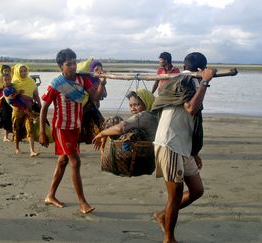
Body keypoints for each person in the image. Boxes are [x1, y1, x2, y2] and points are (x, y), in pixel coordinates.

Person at [151, 52, 216, 243]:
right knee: (175, 195)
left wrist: (194, 151)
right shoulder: (186, 81)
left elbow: (191, 120)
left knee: (197, 190)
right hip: (169, 143)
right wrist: (205, 82)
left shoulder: (188, 81)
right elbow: (191, 109)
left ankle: (163, 215)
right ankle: (168, 238)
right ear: (201, 69)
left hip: (183, 145)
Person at [38, 48, 106, 214]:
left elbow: (95, 97)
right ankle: (83, 203)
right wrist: (41, 131)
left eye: (74, 62)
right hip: (62, 128)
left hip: (75, 126)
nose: (73, 66)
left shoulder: (82, 80)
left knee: (63, 161)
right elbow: (44, 107)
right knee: (75, 161)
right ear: (61, 66)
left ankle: (50, 195)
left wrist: (102, 83)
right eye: (69, 64)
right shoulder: (56, 84)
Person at [92, 88, 158, 150]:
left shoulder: (145, 115)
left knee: (114, 120)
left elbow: (120, 128)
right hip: (150, 148)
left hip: (148, 151)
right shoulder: (154, 114)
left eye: (136, 105)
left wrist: (102, 134)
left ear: (146, 103)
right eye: (131, 105)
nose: (133, 109)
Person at [11, 63, 41, 157]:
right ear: (17, 71)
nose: (23, 73)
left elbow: (35, 95)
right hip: (17, 109)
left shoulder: (31, 81)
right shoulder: (13, 83)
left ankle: (32, 150)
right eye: (21, 71)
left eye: (25, 71)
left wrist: (40, 105)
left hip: (29, 109)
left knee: (30, 128)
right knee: (17, 128)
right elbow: (9, 98)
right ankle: (17, 148)